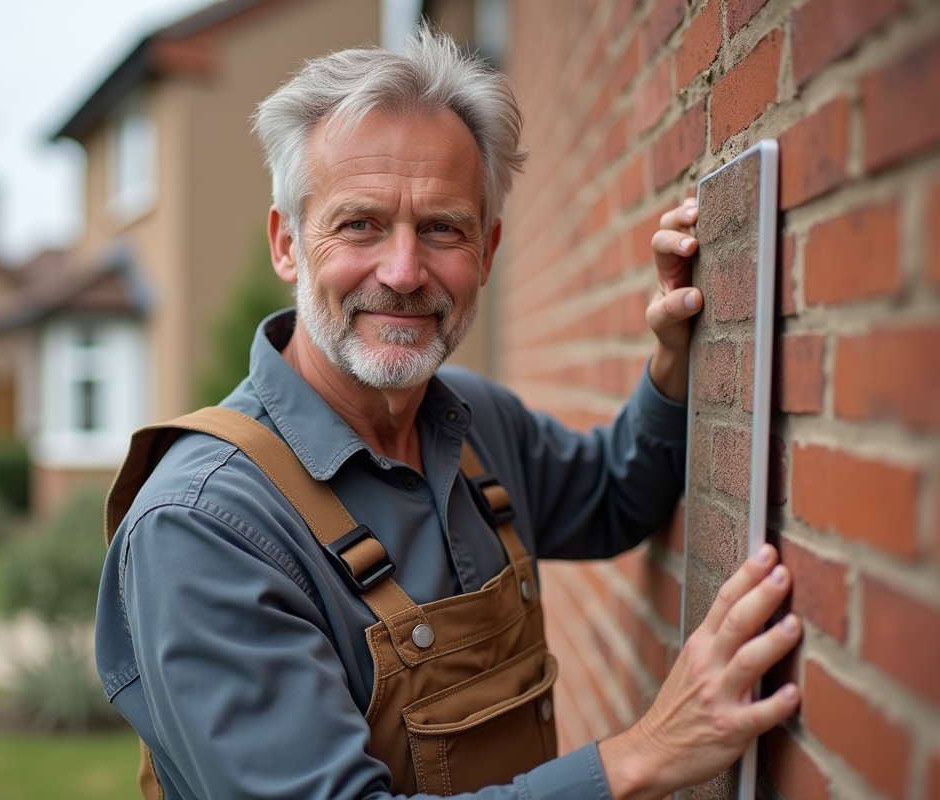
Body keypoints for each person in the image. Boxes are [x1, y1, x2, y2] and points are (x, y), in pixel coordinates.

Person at [95, 29, 802, 800]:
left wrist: (674, 354)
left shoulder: (475, 420)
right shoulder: (201, 526)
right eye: (360, 224)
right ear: (288, 243)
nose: (404, 272)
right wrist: (645, 755)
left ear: (487, 251)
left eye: (442, 228)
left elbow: (613, 498)